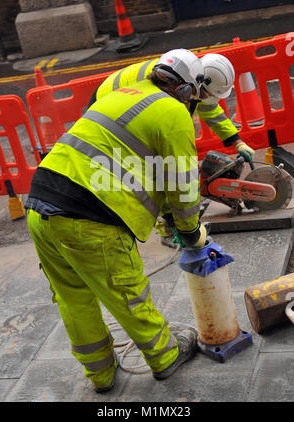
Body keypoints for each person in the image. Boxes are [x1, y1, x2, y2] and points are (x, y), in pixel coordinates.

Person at [25, 48, 208, 393]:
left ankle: (101, 375)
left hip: (41, 204)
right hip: (88, 217)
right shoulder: (172, 111)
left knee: (73, 297)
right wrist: (189, 231)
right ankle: (165, 355)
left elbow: (130, 159)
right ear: (187, 89)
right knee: (127, 292)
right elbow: (182, 184)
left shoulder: (123, 94)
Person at [87, 52, 255, 246]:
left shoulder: (184, 76)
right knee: (151, 168)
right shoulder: (165, 90)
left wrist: (236, 141)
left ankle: (168, 219)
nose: (207, 98)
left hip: (124, 100)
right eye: (208, 93)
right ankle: (164, 228)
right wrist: (177, 221)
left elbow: (209, 108)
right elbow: (171, 168)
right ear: (199, 83)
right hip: (108, 104)